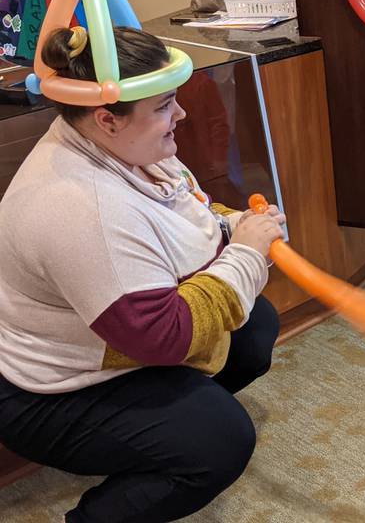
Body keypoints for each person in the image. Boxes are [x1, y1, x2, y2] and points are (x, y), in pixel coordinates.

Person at [0, 26, 286, 521]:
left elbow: (179, 211)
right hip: (44, 391)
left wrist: (231, 226)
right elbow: (163, 337)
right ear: (107, 118)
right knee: (220, 440)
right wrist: (244, 254)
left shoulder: (116, 146)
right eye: (163, 106)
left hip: (108, 340)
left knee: (253, 326)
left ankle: (162, 435)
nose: (181, 114)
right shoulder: (81, 206)